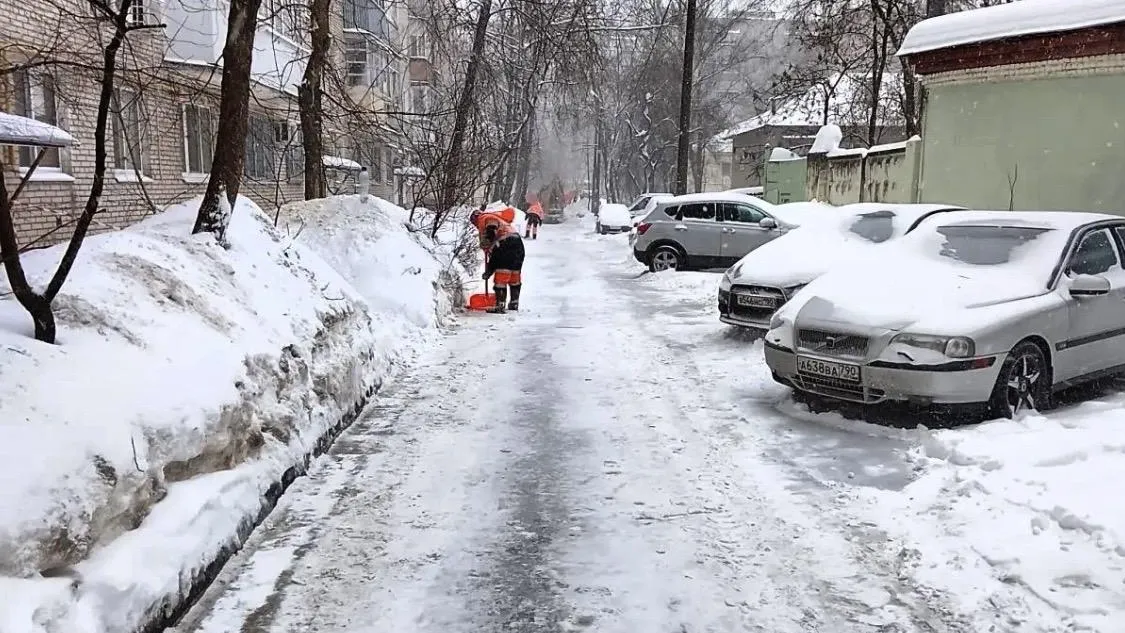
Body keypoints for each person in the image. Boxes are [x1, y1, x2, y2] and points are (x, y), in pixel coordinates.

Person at [471, 204, 525, 313]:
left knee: (501, 275)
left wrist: (489, 271)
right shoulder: (502, 221)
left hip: (505, 244)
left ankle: (499, 305)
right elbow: (495, 256)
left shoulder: (485, 217)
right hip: (518, 244)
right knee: (514, 274)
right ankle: (514, 303)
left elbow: (491, 228)